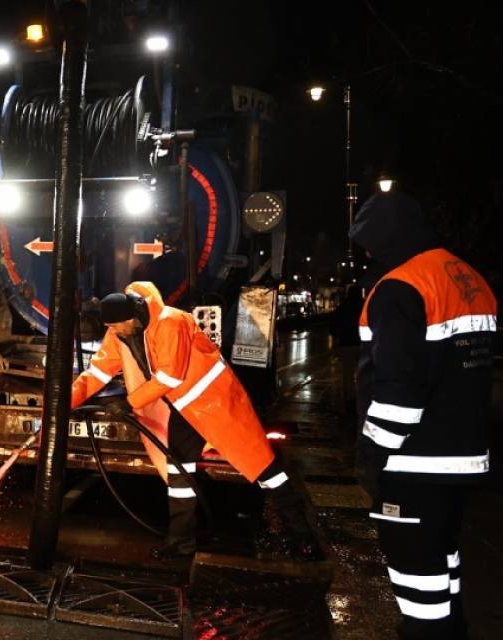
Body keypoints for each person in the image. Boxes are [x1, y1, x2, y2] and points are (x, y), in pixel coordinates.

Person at [70, 281, 319, 561]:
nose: (112, 333)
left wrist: (128, 403)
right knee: (179, 470)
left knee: (264, 469)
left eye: (115, 327)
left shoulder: (171, 322)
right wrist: (67, 402)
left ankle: (303, 536)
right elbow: (99, 372)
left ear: (131, 318)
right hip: (184, 408)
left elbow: (169, 377)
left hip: (219, 405)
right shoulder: (122, 332)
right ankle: (180, 542)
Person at [350, 192, 496, 639]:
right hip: (462, 458)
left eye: (369, 244)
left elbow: (399, 390)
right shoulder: (466, 276)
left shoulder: (399, 288)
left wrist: (372, 455)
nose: (369, 255)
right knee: (443, 561)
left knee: (416, 575)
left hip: (413, 464)